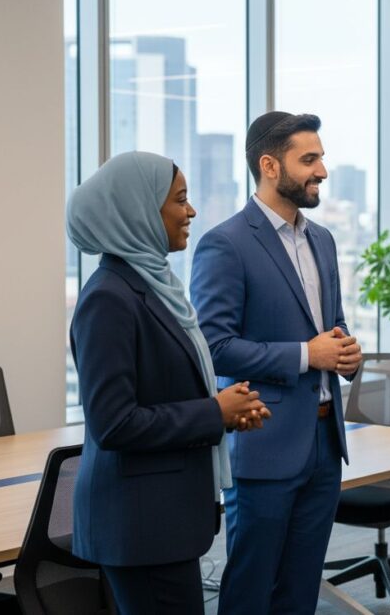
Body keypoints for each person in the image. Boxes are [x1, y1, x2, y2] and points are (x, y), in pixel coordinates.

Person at [67, 151, 269, 615]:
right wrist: (213, 412)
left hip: (162, 519)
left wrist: (225, 413)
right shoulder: (108, 299)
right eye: (179, 199)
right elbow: (114, 424)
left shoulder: (156, 288)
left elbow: (165, 390)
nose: (191, 211)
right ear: (138, 209)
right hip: (140, 526)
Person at [190, 112, 362, 615]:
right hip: (264, 444)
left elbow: (332, 323)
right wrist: (310, 355)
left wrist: (344, 350)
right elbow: (215, 346)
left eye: (322, 158)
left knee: (301, 590)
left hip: (326, 445)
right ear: (269, 165)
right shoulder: (226, 243)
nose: (322, 171)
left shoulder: (323, 240)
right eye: (309, 159)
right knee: (250, 591)